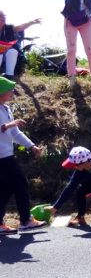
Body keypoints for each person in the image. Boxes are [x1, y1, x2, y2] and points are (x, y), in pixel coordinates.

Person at [0, 77, 47, 233]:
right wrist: (6, 126)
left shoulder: (6, 109)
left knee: (6, 189)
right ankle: (26, 220)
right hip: (2, 158)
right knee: (21, 184)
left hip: (6, 155)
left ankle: (1, 223)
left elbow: (15, 132)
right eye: (9, 90)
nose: (12, 92)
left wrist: (31, 145)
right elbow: (7, 128)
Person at [0, 11, 41, 80]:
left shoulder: (8, 28)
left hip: (6, 54)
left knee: (13, 51)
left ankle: (9, 76)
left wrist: (31, 22)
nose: (3, 17)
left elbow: (20, 27)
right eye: (1, 16)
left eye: (4, 16)